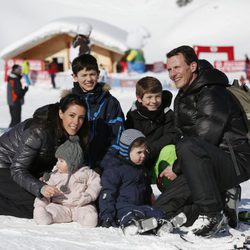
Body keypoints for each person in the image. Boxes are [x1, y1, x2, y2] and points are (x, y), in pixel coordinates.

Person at [153, 45, 250, 237]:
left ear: (193, 66)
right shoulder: (183, 94)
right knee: (163, 205)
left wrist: (176, 167)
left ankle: (212, 213)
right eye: (170, 69)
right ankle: (220, 204)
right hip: (204, 161)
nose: (173, 74)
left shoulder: (213, 92)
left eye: (177, 67)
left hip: (235, 160)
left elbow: (206, 137)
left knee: (187, 147)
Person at [0, 93, 88, 218]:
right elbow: (18, 169)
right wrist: (40, 187)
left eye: (81, 118)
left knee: (53, 200)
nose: (76, 122)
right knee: (37, 204)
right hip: (5, 166)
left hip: (28, 170)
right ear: (61, 113)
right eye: (72, 115)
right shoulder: (38, 130)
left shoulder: (73, 134)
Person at [99, 129, 170, 236]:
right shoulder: (115, 169)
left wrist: (150, 202)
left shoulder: (141, 169)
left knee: (155, 212)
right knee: (129, 214)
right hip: (122, 206)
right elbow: (107, 194)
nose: (143, 155)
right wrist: (107, 216)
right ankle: (131, 225)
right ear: (126, 151)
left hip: (140, 205)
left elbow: (146, 188)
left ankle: (162, 224)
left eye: (145, 152)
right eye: (139, 152)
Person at [71, 54, 124, 172]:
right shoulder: (69, 103)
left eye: (92, 74)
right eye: (84, 75)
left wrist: (105, 164)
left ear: (98, 74)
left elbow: (118, 135)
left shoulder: (110, 102)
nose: (89, 79)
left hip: (105, 163)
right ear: (75, 77)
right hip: (75, 165)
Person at [33, 135, 101, 227]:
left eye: (61, 161)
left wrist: (89, 195)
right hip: (61, 206)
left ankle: (88, 219)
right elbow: (45, 191)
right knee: (52, 210)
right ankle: (45, 216)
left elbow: (95, 184)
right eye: (57, 160)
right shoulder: (54, 175)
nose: (57, 163)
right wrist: (41, 203)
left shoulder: (85, 172)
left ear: (72, 162)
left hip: (80, 205)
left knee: (88, 211)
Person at [125, 76, 178, 191]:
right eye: (149, 97)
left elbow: (172, 136)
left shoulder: (168, 114)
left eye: (157, 96)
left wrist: (150, 149)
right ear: (139, 98)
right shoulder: (132, 117)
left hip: (158, 160)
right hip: (140, 162)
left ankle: (169, 191)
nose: (154, 101)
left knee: (170, 149)